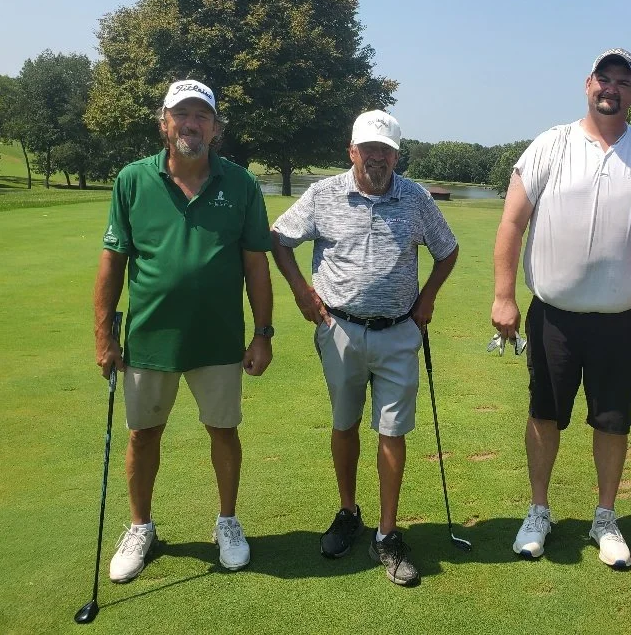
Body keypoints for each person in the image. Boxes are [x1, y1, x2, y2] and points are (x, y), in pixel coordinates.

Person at [491, 49, 631, 569]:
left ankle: (605, 517)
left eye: (623, 81)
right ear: (587, 84)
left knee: (613, 421)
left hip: (620, 322)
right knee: (545, 413)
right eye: (603, 78)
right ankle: (539, 511)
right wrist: (504, 296)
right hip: (555, 317)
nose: (610, 88)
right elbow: (511, 224)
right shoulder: (551, 144)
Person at [94, 79, 274, 583]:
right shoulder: (132, 180)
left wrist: (263, 333)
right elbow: (112, 261)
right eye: (181, 115)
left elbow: (255, 264)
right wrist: (104, 334)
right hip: (150, 338)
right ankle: (140, 527)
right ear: (164, 122)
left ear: (215, 127)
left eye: (201, 116)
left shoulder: (240, 183)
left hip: (218, 339)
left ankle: (227, 523)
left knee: (223, 430)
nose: (191, 124)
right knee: (143, 433)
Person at [270, 110, 459, 587]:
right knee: (345, 423)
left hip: (398, 333)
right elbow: (279, 238)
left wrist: (428, 298)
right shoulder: (324, 194)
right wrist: (301, 292)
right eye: (368, 148)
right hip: (340, 330)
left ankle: (388, 532)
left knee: (392, 433)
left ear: (397, 154)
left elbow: (447, 249)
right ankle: (348, 511)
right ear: (351, 150)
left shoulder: (414, 198)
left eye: (386, 150)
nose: (377, 157)